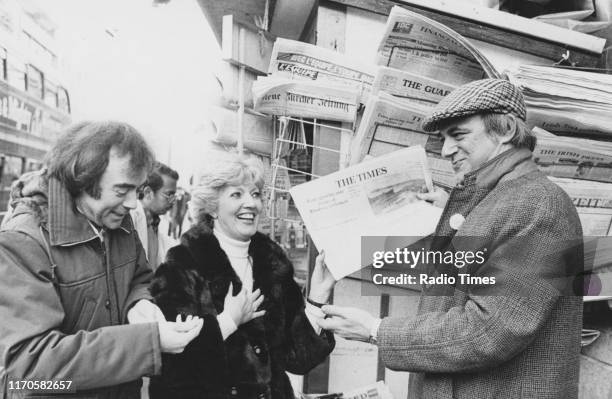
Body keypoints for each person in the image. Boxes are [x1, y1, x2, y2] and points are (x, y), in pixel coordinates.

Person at [318, 79, 584, 399]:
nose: (446, 150)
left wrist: (375, 330)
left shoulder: (538, 205)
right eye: (443, 138)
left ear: (507, 131)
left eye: (458, 135)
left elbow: (486, 332)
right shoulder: (499, 198)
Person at [0, 121, 203, 398]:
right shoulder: (22, 242)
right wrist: (147, 343)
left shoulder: (120, 220)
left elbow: (140, 276)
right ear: (82, 180)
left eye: (138, 190)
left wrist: (139, 303)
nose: (133, 203)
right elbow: (28, 373)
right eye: (121, 191)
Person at [148, 148, 336, 399]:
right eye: (236, 194)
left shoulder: (273, 264)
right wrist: (227, 322)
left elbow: (297, 359)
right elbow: (172, 366)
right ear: (212, 207)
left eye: (256, 194)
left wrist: (317, 298)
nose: (251, 203)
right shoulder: (181, 267)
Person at [131, 161, 179, 270]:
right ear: (148, 193)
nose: (173, 201)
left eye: (174, 195)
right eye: (169, 194)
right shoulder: (131, 220)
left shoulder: (154, 223)